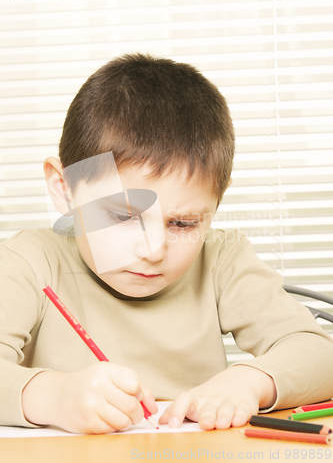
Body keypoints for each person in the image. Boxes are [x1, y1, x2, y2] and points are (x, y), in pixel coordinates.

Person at [1, 54, 333, 435]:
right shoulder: (29, 263)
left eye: (182, 223)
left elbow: (321, 354)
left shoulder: (222, 258)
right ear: (64, 189)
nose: (153, 250)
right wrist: (50, 395)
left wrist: (251, 380)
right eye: (123, 216)